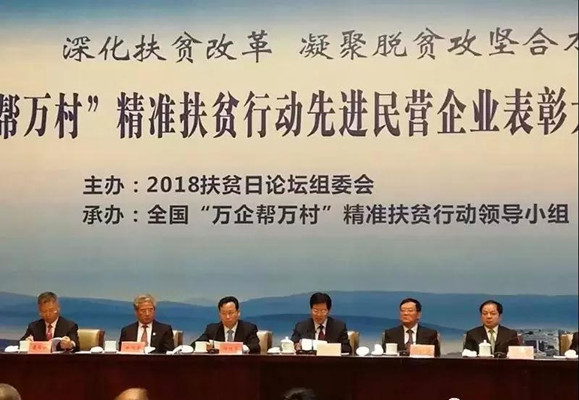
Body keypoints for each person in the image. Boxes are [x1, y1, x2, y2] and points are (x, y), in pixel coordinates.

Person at [193, 296, 260, 354]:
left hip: (241, 363)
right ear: (219, 314)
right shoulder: (212, 329)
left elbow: (256, 347)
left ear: (238, 313)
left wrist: (240, 348)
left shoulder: (248, 328)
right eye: (224, 313)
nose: (227, 317)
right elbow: (196, 344)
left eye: (230, 313)